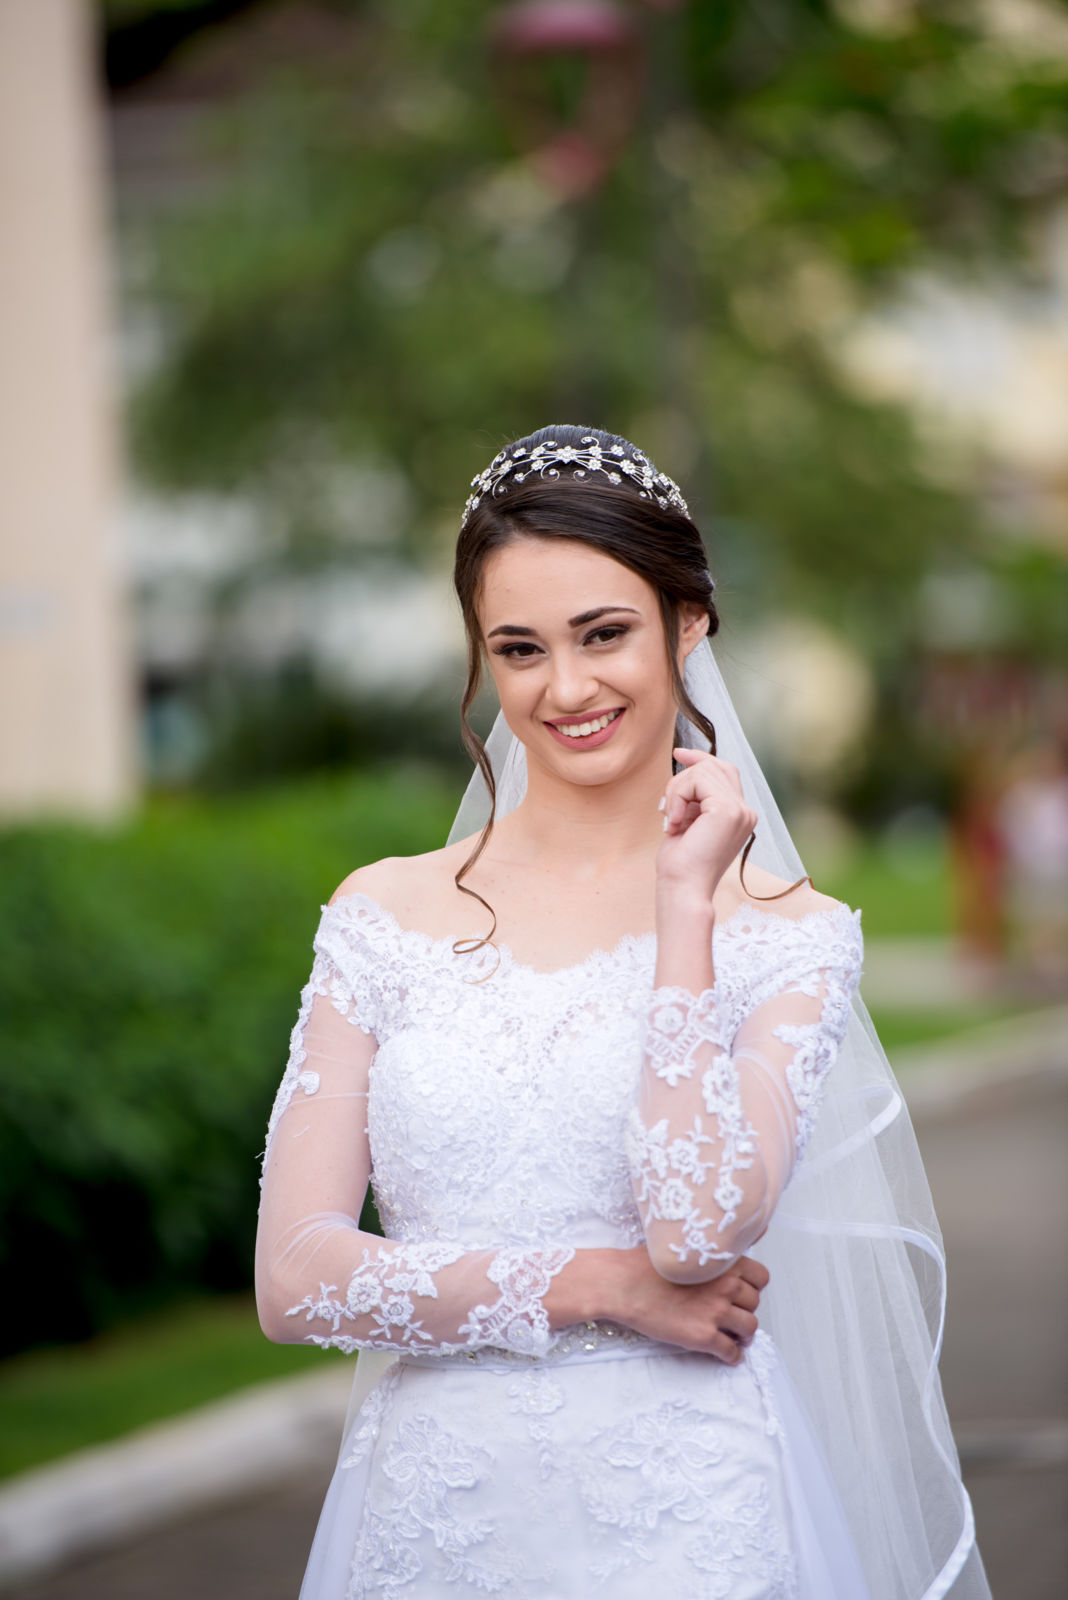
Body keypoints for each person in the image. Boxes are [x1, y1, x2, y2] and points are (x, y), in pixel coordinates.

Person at [256, 426, 989, 1599]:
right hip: (434, 1516)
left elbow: (698, 1232)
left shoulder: (790, 934)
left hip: (689, 1518)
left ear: (687, 622)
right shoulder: (381, 914)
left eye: (605, 634)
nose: (567, 687)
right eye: (520, 648)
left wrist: (685, 911)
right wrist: (604, 1285)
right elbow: (296, 1280)